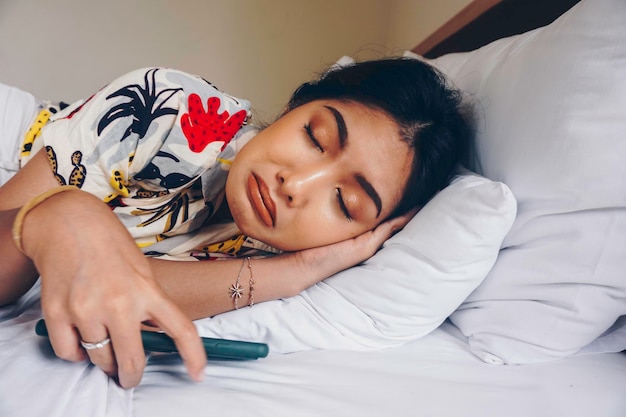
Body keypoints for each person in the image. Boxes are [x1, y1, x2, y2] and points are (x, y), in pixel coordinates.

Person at [0, 57, 470, 388]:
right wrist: (59, 214)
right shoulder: (169, 111)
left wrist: (299, 272)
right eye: (314, 136)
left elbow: (129, 284)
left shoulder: (290, 248)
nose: (295, 185)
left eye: (346, 203)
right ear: (294, 108)